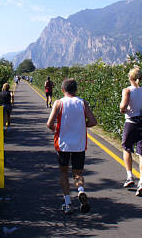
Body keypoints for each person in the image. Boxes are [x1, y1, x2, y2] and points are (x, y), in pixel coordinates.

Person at [47, 78, 97, 214]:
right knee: (78, 173)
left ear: (63, 90)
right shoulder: (83, 103)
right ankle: (80, 191)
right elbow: (93, 121)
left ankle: (68, 203)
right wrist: (81, 125)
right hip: (79, 144)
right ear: (76, 90)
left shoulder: (59, 103)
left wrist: (58, 128)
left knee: (63, 172)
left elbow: (49, 124)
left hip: (63, 144)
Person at [119, 67, 142, 197]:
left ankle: (129, 176)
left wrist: (123, 108)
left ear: (130, 78)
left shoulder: (127, 90)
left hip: (131, 123)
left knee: (127, 148)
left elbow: (123, 107)